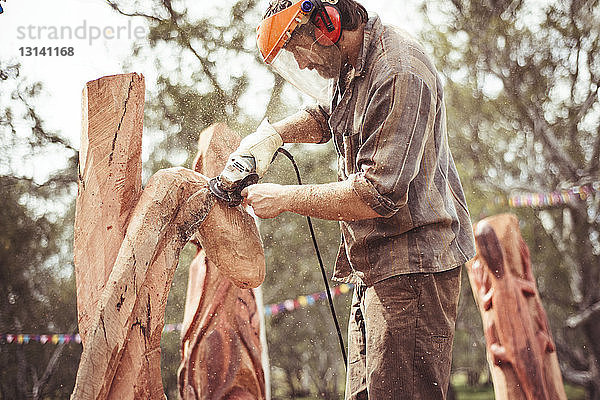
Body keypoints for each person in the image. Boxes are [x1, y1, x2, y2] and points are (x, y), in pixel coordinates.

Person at [230, 0, 476, 398]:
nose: (304, 65)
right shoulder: (352, 63)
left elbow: (376, 195)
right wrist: (272, 135)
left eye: (300, 51)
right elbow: (326, 116)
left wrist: (287, 198)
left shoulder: (398, 71)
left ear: (327, 21)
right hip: (377, 270)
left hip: (412, 272)